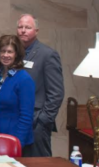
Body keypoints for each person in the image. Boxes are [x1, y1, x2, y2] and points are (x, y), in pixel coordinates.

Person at [17, 14, 64, 157]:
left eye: (28, 27)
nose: (23, 30)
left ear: (36, 31)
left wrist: (43, 120)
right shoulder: (14, 53)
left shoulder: (48, 55)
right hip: (17, 120)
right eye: (20, 27)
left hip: (36, 122)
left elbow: (56, 93)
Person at [0, 35, 35, 156]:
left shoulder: (24, 79)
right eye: (2, 51)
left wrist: (17, 143)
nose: (5, 55)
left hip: (15, 141)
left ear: (17, 54)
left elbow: (26, 116)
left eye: (10, 52)